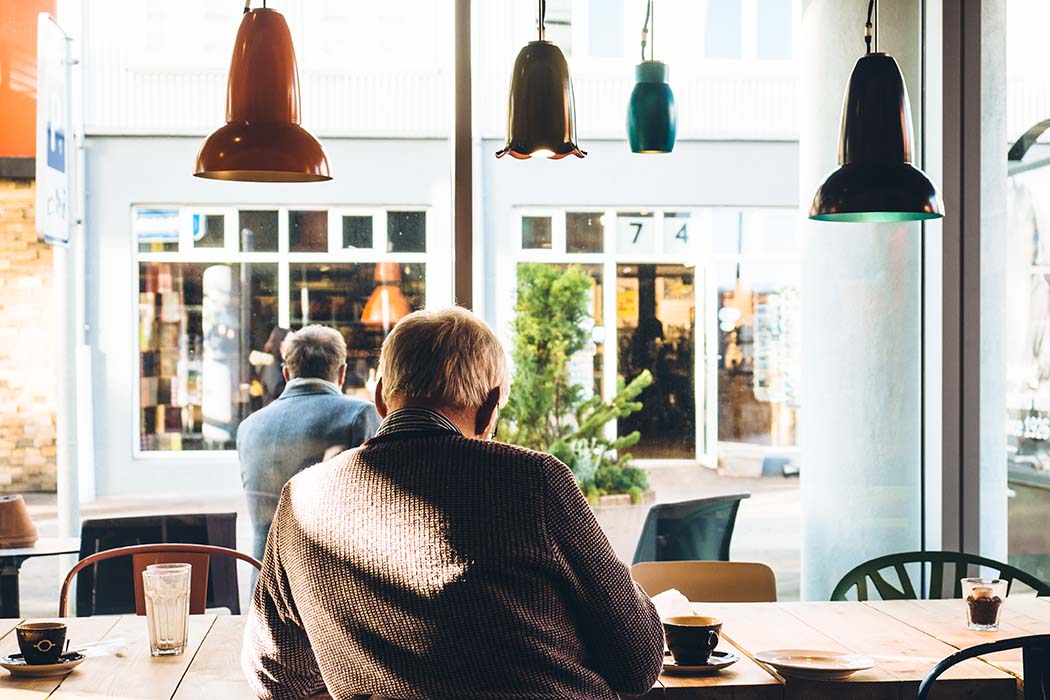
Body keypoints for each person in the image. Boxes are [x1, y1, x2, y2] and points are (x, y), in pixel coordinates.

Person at [242, 307, 664, 700]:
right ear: (489, 408)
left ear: (381, 397)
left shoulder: (301, 499)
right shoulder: (534, 482)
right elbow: (638, 662)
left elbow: (275, 676)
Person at [237, 325, 380, 561]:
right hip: (326, 583)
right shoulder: (359, 415)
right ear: (342, 373)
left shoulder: (249, 426)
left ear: (286, 374)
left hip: (263, 583)